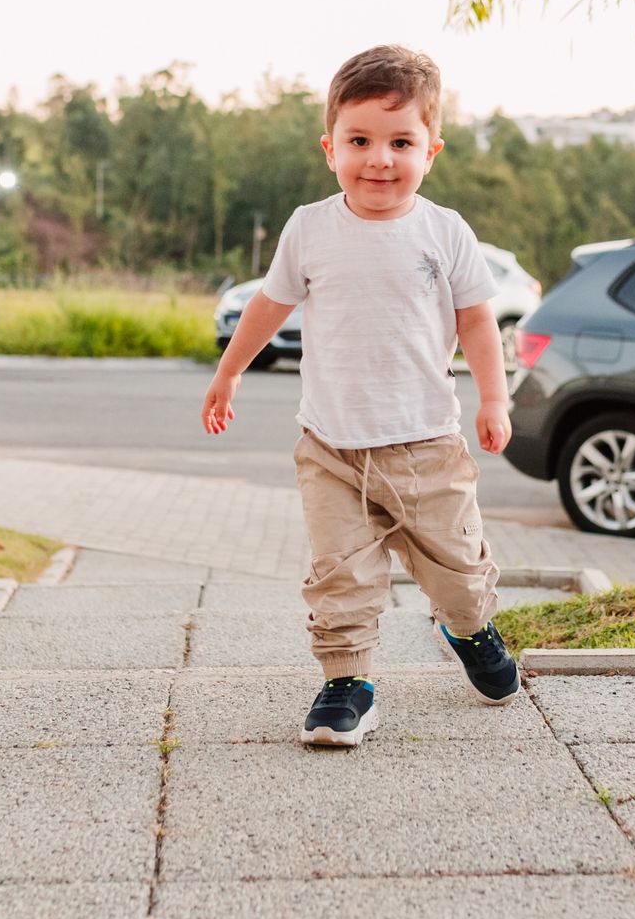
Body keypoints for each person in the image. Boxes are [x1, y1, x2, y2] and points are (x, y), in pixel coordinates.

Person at [201, 44, 518, 747]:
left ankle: (469, 629)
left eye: (401, 142)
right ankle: (347, 683)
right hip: (331, 448)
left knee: (458, 574)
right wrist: (229, 372)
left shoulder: (445, 232)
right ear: (330, 148)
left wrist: (493, 400)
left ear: (431, 150)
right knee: (340, 574)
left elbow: (476, 323)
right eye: (361, 141)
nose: (380, 159)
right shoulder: (310, 228)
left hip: (427, 447)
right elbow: (267, 304)